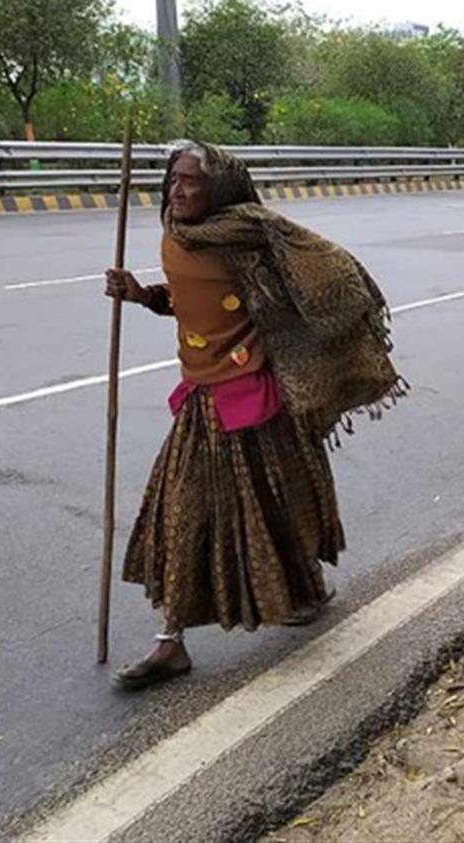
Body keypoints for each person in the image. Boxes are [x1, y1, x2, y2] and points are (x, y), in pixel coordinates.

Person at [103, 140, 403, 690]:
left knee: (279, 502)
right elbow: (189, 299)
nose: (178, 189)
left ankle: (305, 588)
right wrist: (141, 295)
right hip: (201, 397)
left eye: (191, 180)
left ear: (217, 188)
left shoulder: (249, 237)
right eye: (173, 179)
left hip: (254, 397)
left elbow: (312, 282)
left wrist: (319, 334)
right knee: (184, 510)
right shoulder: (175, 234)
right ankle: (171, 640)